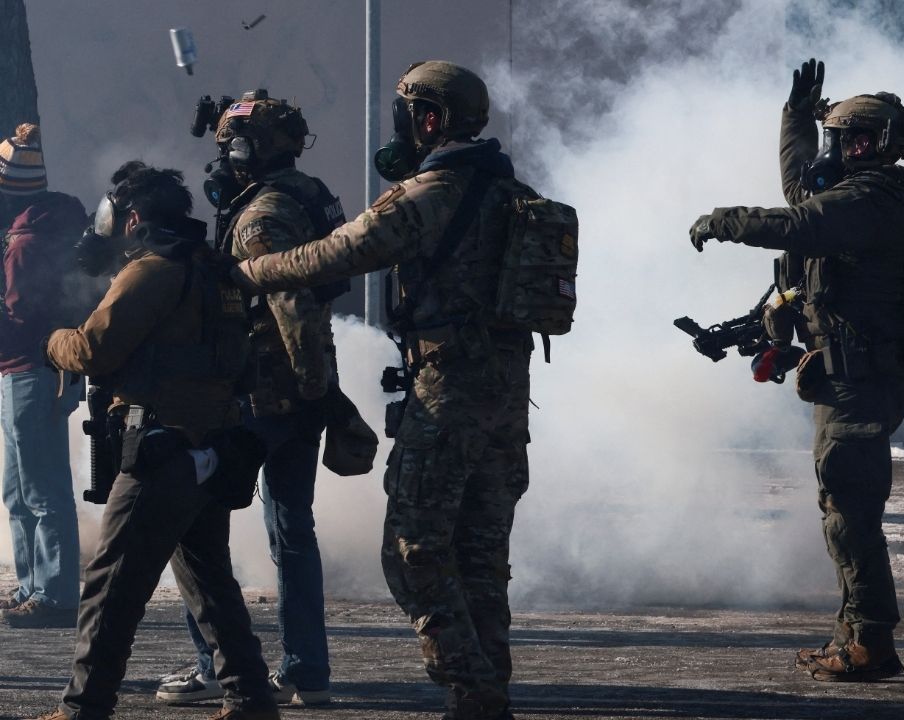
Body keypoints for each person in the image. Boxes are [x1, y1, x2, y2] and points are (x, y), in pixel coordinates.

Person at [230, 61, 540, 720]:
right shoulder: (512, 190)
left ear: (429, 120)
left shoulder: (430, 194)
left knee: (412, 552)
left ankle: (472, 688)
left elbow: (338, 253)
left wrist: (254, 270)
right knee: (481, 557)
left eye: (404, 114)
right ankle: (485, 697)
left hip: (447, 392)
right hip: (509, 397)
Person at [688, 59, 904, 682]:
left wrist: (723, 220)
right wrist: (796, 116)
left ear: (870, 145)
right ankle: (853, 636)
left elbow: (796, 221)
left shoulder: (867, 201)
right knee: (844, 508)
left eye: (843, 139)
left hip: (858, 382)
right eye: (833, 139)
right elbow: (802, 190)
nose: (834, 151)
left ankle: (871, 641)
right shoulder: (863, 198)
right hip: (856, 378)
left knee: (851, 515)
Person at [28, 161, 279, 720]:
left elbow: (94, 350)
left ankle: (83, 708)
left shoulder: (152, 271)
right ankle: (250, 699)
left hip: (162, 451)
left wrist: (52, 342)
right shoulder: (215, 269)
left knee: (110, 586)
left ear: (133, 218)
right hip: (213, 448)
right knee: (210, 585)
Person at [155, 90, 349, 707]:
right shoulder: (309, 195)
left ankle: (217, 664)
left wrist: (310, 388)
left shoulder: (261, 216)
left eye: (229, 147)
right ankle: (307, 672)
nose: (223, 160)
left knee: (198, 531)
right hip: (301, 393)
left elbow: (289, 302)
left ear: (249, 149)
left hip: (258, 394)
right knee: (293, 532)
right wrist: (320, 392)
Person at [0, 123, 86, 629]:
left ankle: (54, 594)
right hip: (38, 370)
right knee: (20, 490)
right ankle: (33, 585)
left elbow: (18, 315)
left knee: (40, 489)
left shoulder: (24, 243)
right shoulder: (50, 227)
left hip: (30, 371)